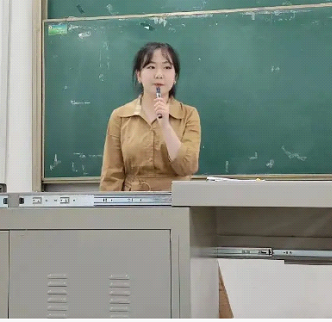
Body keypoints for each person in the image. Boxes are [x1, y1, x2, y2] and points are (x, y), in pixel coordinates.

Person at [100, 42, 233, 317]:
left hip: (179, 209)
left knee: (189, 288)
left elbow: (187, 165)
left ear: (176, 76)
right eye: (150, 67)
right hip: (133, 211)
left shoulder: (188, 115)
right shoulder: (120, 117)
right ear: (139, 75)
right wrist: (109, 223)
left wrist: (165, 124)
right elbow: (112, 175)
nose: (159, 74)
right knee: (137, 288)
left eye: (167, 67)